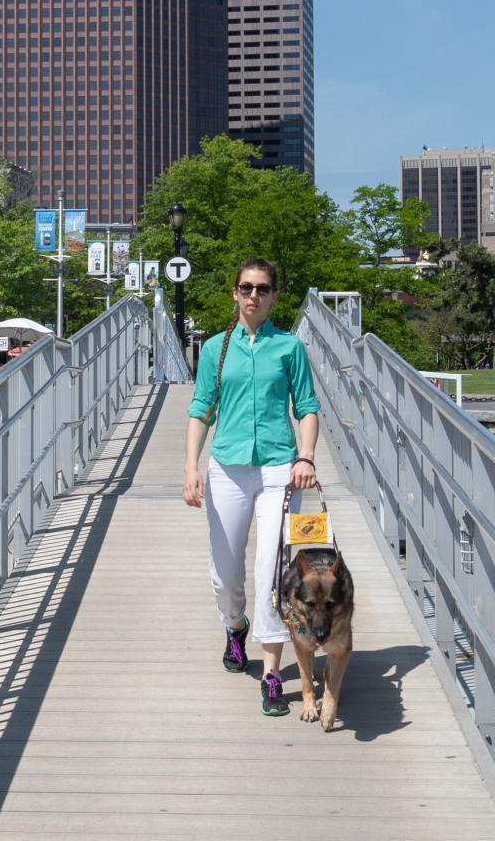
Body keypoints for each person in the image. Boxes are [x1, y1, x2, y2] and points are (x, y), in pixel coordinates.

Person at [183, 258, 321, 719]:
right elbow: (201, 409)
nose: (254, 295)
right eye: (246, 287)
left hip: (280, 468)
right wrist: (191, 467)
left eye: (263, 289)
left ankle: (272, 674)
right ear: (235, 292)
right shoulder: (215, 349)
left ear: (274, 296)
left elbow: (306, 407)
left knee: (271, 571)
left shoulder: (289, 347)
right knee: (226, 573)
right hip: (227, 467)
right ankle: (235, 625)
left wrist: (305, 457)